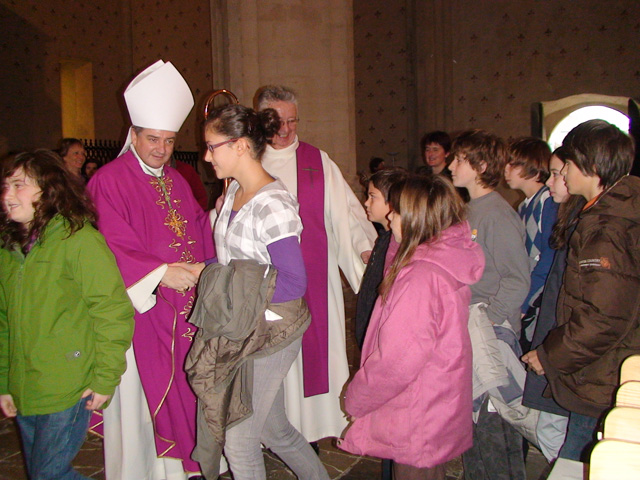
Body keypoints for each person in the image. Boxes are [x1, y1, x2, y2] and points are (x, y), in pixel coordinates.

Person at [187, 103, 330, 480]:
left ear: (239, 147)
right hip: (244, 325)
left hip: (271, 331)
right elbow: (230, 255)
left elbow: (293, 282)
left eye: (211, 145)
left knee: (240, 439)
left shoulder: (273, 205)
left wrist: (229, 291)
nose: (205, 155)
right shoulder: (233, 191)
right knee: (273, 428)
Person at [87, 60, 214, 479]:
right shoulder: (108, 180)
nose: (161, 149)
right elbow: (108, 242)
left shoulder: (177, 180)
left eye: (169, 140)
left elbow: (198, 228)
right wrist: (159, 273)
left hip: (185, 305)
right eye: (152, 139)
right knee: (142, 403)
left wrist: (206, 268)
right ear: (134, 135)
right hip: (141, 310)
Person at [339, 175, 485, 480]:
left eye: (398, 210)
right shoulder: (439, 261)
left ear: (417, 218)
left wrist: (358, 398)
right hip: (432, 404)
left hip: (418, 412)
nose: (390, 217)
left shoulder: (421, 277)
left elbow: (398, 360)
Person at [0, 150, 134, 480]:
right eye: (5, 186)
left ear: (49, 189)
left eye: (19, 185)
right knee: (42, 472)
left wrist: (105, 376)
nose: (7, 196)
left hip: (68, 382)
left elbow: (112, 311)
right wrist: (5, 380)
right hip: (26, 382)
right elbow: (4, 321)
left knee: (49, 473)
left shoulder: (79, 241)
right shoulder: (10, 248)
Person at [254, 85, 377, 443]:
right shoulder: (249, 161)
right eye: (278, 121)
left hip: (315, 284)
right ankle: (275, 432)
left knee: (315, 354)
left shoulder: (317, 161)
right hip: (267, 286)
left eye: (293, 121)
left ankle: (312, 431)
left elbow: (347, 216)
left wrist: (365, 250)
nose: (286, 130)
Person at [522, 119, 640, 462]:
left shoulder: (606, 229)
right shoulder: (610, 213)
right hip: (602, 368)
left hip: (600, 375)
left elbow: (604, 316)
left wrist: (548, 355)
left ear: (588, 165)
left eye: (568, 165)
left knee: (578, 461)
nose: (564, 173)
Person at [448, 130, 531, 480]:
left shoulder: (495, 214)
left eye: (459, 159)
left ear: (481, 165)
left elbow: (517, 279)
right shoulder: (468, 208)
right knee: (476, 431)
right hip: (472, 329)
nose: (451, 165)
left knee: (496, 435)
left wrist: (488, 323)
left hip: (489, 335)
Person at [521, 147, 585, 462]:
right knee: (552, 428)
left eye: (559, 173)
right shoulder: (568, 217)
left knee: (560, 432)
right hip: (559, 339)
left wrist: (549, 351)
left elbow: (594, 310)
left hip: (570, 349)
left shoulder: (586, 224)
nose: (551, 182)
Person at [504, 137, 558, 352]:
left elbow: (548, 257)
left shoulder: (546, 201)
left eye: (513, 164)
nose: (506, 170)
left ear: (534, 170)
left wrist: (526, 302)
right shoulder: (524, 205)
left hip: (537, 298)